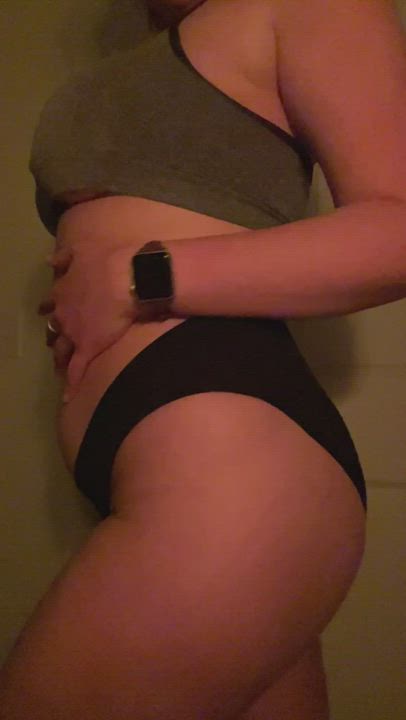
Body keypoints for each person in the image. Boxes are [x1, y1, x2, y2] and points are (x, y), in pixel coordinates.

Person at [1, 0, 406, 717]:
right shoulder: (144, 58)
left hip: (224, 457)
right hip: (153, 458)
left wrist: (139, 276)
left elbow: (398, 227)